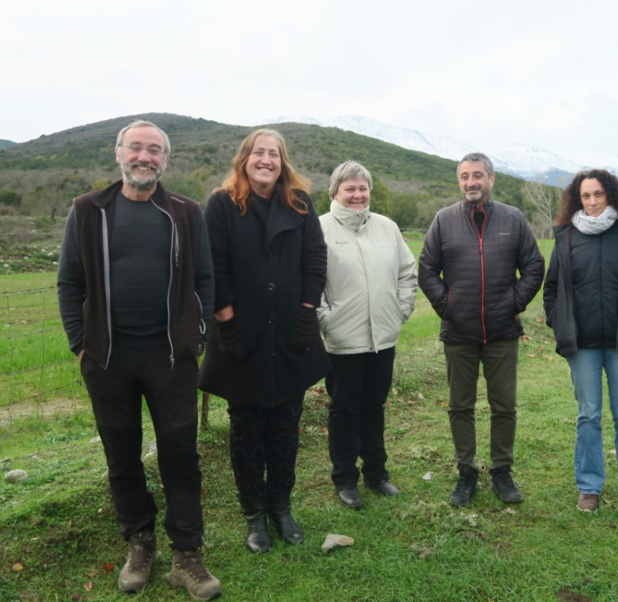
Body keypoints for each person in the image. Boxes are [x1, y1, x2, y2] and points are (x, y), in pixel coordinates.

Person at [57, 120, 221, 600]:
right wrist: (80, 344)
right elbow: (69, 282)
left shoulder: (187, 214)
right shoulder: (88, 211)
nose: (144, 156)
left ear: (165, 160)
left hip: (171, 359)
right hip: (108, 360)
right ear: (118, 154)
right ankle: (140, 541)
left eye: (155, 150)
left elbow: (205, 281)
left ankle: (187, 553)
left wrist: (199, 334)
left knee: (180, 454)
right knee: (121, 455)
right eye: (136, 148)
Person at [199, 128, 329, 553]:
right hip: (243, 334)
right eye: (259, 153)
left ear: (282, 162)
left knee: (287, 425)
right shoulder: (223, 204)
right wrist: (228, 322)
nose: (266, 160)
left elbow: (315, 259)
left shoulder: (300, 203)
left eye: (274, 154)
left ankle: (281, 506)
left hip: (291, 330)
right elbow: (212, 266)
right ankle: (254, 514)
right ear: (245, 158)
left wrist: (307, 312)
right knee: (247, 429)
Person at [418, 152, 544, 507]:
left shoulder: (513, 219)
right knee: (460, 405)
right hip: (459, 333)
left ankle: (502, 471)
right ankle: (466, 472)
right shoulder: (444, 220)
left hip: (502, 333)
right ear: (459, 181)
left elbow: (534, 265)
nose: (470, 182)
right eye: (464, 176)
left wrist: (513, 304)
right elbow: (427, 269)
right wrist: (448, 307)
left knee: (504, 405)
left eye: (477, 175)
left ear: (491, 179)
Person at [543, 169, 618, 514]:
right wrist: (559, 320)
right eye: (586, 196)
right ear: (577, 200)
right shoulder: (566, 237)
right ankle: (589, 487)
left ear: (610, 195)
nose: (593, 201)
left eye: (598, 194)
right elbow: (552, 289)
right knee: (588, 415)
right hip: (581, 345)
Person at [318, 161, 417, 510]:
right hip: (342, 340)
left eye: (363, 188)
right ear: (335, 192)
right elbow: (310, 282)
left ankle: (377, 474)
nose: (358, 194)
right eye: (350, 189)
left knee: (373, 407)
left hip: (383, 338)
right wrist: (326, 320)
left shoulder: (387, 228)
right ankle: (345, 478)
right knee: (344, 409)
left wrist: (401, 309)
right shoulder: (320, 230)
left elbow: (407, 272)